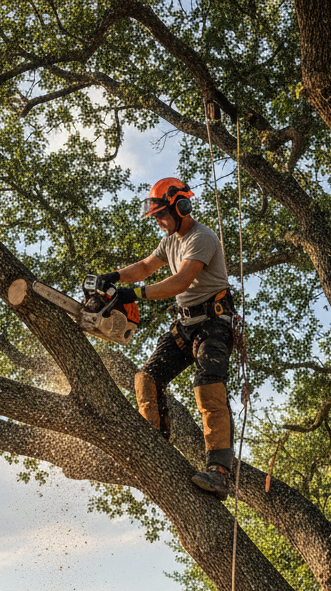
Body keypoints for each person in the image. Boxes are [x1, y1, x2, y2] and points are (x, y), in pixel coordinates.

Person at [94, 177, 237, 498]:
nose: (158, 222)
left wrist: (135, 294)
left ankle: (218, 470)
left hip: (214, 322)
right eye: (156, 216)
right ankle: (154, 441)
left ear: (181, 207)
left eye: (162, 215)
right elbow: (146, 266)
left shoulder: (202, 238)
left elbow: (180, 282)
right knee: (146, 378)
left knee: (208, 386)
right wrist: (115, 277)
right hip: (186, 324)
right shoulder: (169, 240)